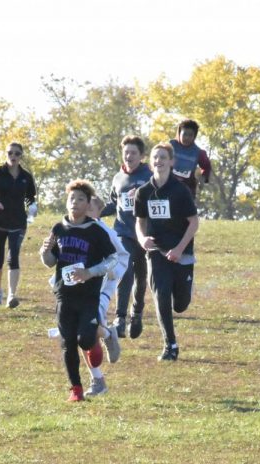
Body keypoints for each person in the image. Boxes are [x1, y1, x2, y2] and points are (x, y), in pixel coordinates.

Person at [40, 180, 118, 402]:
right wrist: (44, 252)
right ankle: (76, 389)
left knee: (84, 339)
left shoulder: (95, 230)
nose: (75, 203)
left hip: (88, 295)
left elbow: (112, 259)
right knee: (67, 343)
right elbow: (50, 262)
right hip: (64, 295)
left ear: (88, 204)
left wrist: (90, 272)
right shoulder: (58, 228)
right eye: (71, 199)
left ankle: (98, 338)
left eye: (80, 199)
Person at [134, 142, 200, 361]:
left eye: (163, 157)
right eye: (155, 158)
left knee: (180, 305)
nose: (158, 161)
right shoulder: (143, 192)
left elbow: (193, 223)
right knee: (161, 296)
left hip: (182, 252)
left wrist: (179, 249)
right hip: (157, 252)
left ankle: (183, 293)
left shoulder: (180, 191)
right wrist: (143, 239)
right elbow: (139, 222)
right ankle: (170, 345)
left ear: (172, 162)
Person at [101, 135, 153, 339]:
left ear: (141, 156)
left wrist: (141, 196)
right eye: (126, 153)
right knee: (124, 271)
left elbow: (159, 199)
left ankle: (137, 313)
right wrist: (95, 210)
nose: (129, 156)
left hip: (146, 234)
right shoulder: (117, 178)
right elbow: (114, 204)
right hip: (123, 233)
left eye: (133, 153)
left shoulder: (150, 175)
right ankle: (120, 318)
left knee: (142, 279)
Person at [79, 195, 129, 395]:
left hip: (99, 290)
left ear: (99, 211)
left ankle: (107, 335)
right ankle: (97, 378)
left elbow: (121, 257)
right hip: (75, 290)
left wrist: (106, 273)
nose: (84, 211)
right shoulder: (73, 229)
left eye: (89, 208)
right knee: (79, 336)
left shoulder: (106, 232)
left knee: (85, 331)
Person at [0, 142, 37, 308]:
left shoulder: (26, 177)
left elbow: (30, 197)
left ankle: (12, 295)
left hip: (18, 222)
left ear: (21, 156)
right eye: (10, 153)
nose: (13, 156)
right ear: (6, 154)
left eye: (17, 153)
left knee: (14, 257)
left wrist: (31, 205)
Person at [169, 119, 211, 199]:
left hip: (187, 191)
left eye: (190, 135)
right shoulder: (171, 146)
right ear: (179, 133)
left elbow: (207, 166)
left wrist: (202, 179)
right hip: (168, 187)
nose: (187, 138)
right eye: (184, 134)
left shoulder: (198, 153)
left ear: (194, 136)